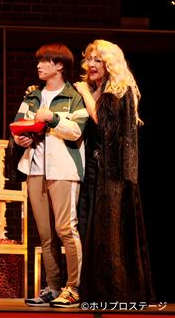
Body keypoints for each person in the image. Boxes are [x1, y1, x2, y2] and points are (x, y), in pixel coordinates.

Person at [74, 40, 154, 302]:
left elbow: (104, 125)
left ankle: (112, 291)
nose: (91, 64)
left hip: (113, 174)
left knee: (109, 233)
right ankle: (91, 289)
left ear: (109, 63)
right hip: (95, 169)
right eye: (89, 59)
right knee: (89, 229)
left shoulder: (118, 90)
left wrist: (85, 94)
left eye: (97, 59)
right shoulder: (97, 89)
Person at [13, 43, 88, 308]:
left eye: (44, 61)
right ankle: (54, 287)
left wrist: (52, 118)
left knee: (66, 229)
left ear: (59, 65)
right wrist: (21, 139)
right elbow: (19, 125)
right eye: (38, 61)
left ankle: (73, 288)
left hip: (64, 170)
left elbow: (76, 131)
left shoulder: (73, 95)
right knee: (45, 235)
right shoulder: (33, 96)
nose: (39, 65)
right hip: (35, 170)